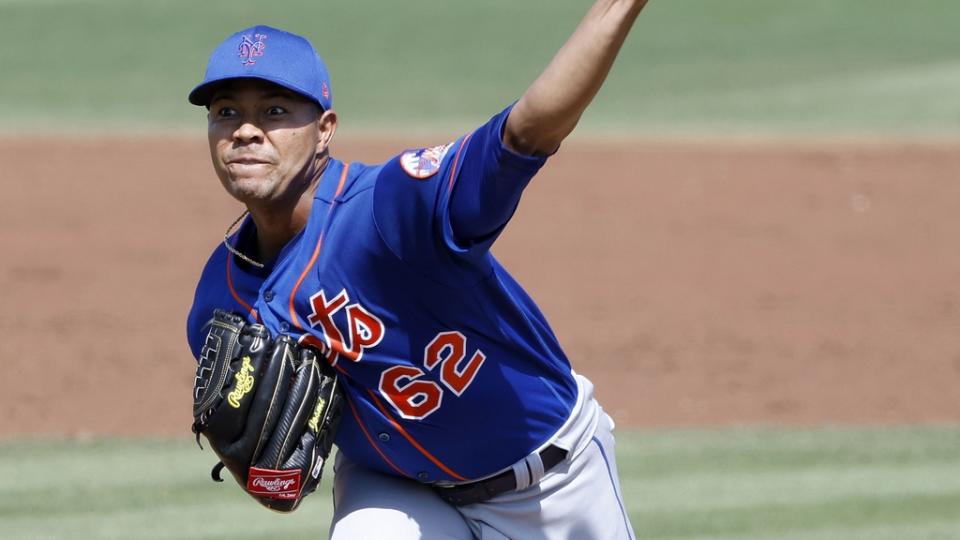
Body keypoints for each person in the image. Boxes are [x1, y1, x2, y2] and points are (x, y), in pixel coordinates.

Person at [186, 1, 648, 537]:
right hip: (396, 488)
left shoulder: (388, 209)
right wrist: (264, 470)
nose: (245, 131)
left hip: (553, 480)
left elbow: (524, 133)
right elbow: (274, 473)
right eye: (226, 113)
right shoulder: (218, 305)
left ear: (325, 129)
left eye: (274, 112)